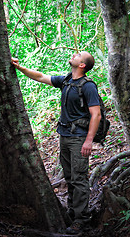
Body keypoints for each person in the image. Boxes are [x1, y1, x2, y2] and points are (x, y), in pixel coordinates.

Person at [11, 51, 101, 235]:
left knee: (79, 178)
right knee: (69, 177)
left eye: (78, 55)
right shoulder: (67, 80)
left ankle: (81, 220)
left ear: (82, 65)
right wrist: (19, 67)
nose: (74, 54)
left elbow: (96, 114)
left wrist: (89, 141)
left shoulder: (89, 86)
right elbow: (41, 76)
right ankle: (71, 213)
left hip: (79, 139)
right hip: (65, 136)